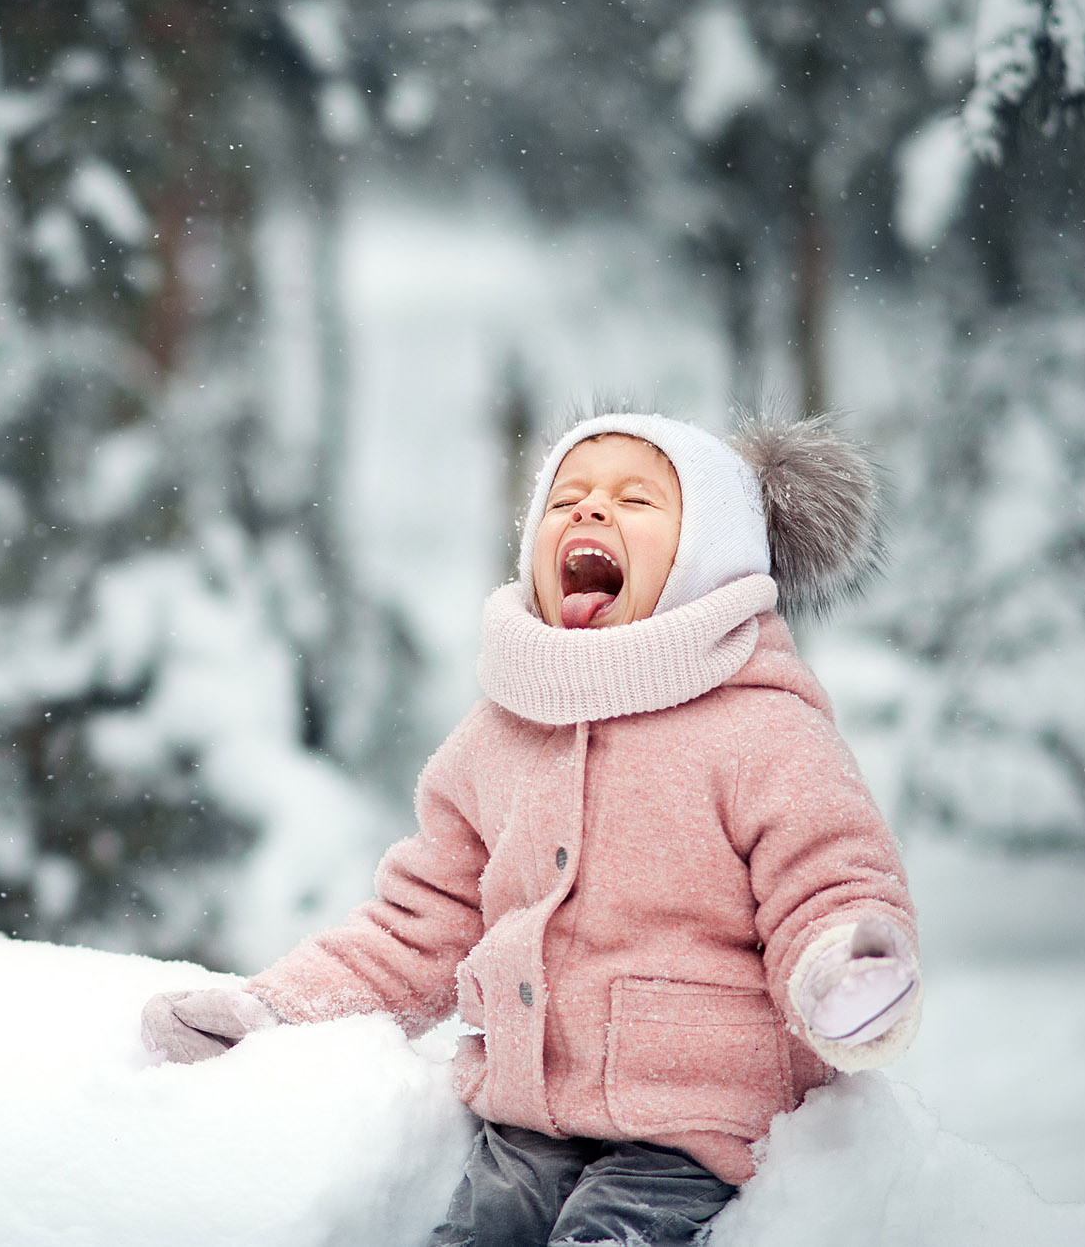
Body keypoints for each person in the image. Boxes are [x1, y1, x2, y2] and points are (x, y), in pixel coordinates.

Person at [140, 412, 921, 1247]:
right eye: (567, 498)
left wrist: (843, 972)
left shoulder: (762, 728)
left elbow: (828, 880)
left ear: (712, 553)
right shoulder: (500, 735)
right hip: (528, 1116)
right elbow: (419, 925)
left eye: (635, 498)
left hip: (702, 1120)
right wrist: (272, 1012)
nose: (589, 512)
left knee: (609, 1235)